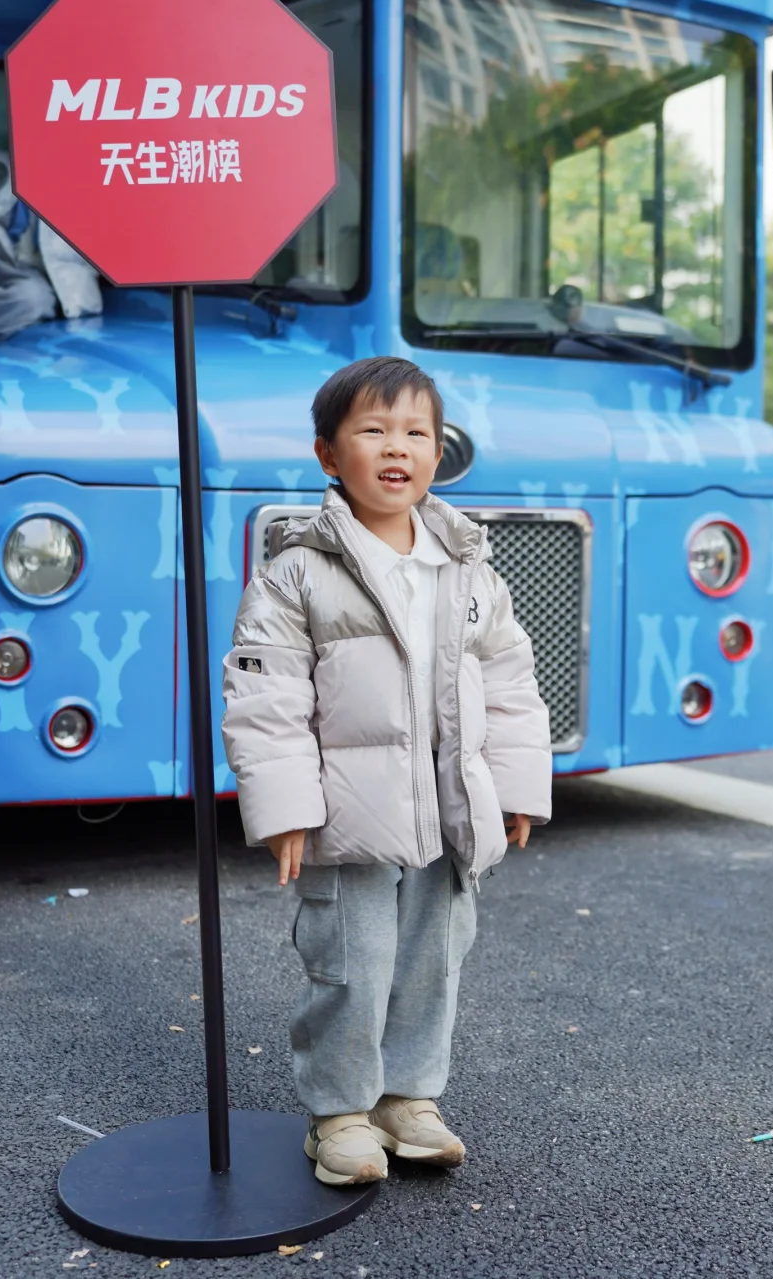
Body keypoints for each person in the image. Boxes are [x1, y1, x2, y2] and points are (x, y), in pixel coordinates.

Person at [221, 356, 552, 1187]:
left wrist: (515, 786)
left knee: (434, 955)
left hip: (449, 809)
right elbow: (267, 697)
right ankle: (338, 1111)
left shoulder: (467, 566)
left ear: (439, 454)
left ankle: (409, 1096)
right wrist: (288, 805)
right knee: (350, 960)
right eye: (372, 431)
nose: (396, 447)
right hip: (347, 810)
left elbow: (510, 683)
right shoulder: (297, 570)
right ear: (330, 455)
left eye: (416, 433)